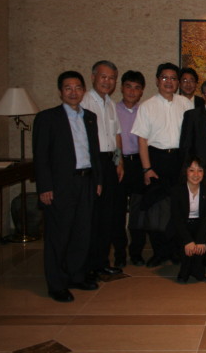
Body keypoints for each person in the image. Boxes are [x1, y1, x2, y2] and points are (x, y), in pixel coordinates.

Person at [33, 71, 102, 302]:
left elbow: (94, 152)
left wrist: (98, 181)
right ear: (60, 92)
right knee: (59, 235)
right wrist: (45, 187)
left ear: (83, 90)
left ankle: (76, 275)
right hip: (61, 184)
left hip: (86, 181)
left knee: (82, 232)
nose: (73, 92)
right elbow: (40, 156)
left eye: (77, 87)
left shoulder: (90, 117)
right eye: (68, 88)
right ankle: (56, 284)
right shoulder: (47, 118)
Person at [131, 63, 194, 267]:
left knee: (178, 207)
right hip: (157, 159)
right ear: (157, 80)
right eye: (165, 78)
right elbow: (142, 140)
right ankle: (159, 252)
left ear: (178, 82)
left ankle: (175, 250)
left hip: (180, 160)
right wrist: (147, 168)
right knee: (157, 209)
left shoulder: (185, 103)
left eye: (173, 78)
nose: (169, 82)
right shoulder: (147, 106)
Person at [80, 60, 124, 278]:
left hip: (109, 163)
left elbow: (116, 135)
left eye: (112, 78)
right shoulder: (84, 102)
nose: (108, 81)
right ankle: (87, 265)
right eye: (103, 77)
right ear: (93, 77)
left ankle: (102, 262)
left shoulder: (111, 103)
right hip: (93, 163)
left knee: (108, 216)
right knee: (92, 217)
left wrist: (119, 162)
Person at [114, 70, 147, 267]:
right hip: (118, 163)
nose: (132, 91)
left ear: (142, 91)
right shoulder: (112, 110)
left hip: (138, 164)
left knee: (138, 211)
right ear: (121, 88)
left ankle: (136, 252)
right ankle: (119, 253)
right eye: (128, 86)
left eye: (137, 88)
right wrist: (118, 163)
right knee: (117, 211)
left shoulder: (145, 111)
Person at [170, 156, 206, 283]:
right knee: (187, 252)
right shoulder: (177, 190)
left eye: (200, 170)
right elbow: (176, 217)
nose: (196, 174)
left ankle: (197, 266)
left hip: (200, 225)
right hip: (182, 226)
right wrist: (188, 240)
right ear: (185, 171)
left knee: (200, 251)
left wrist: (201, 239)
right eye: (192, 170)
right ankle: (186, 267)